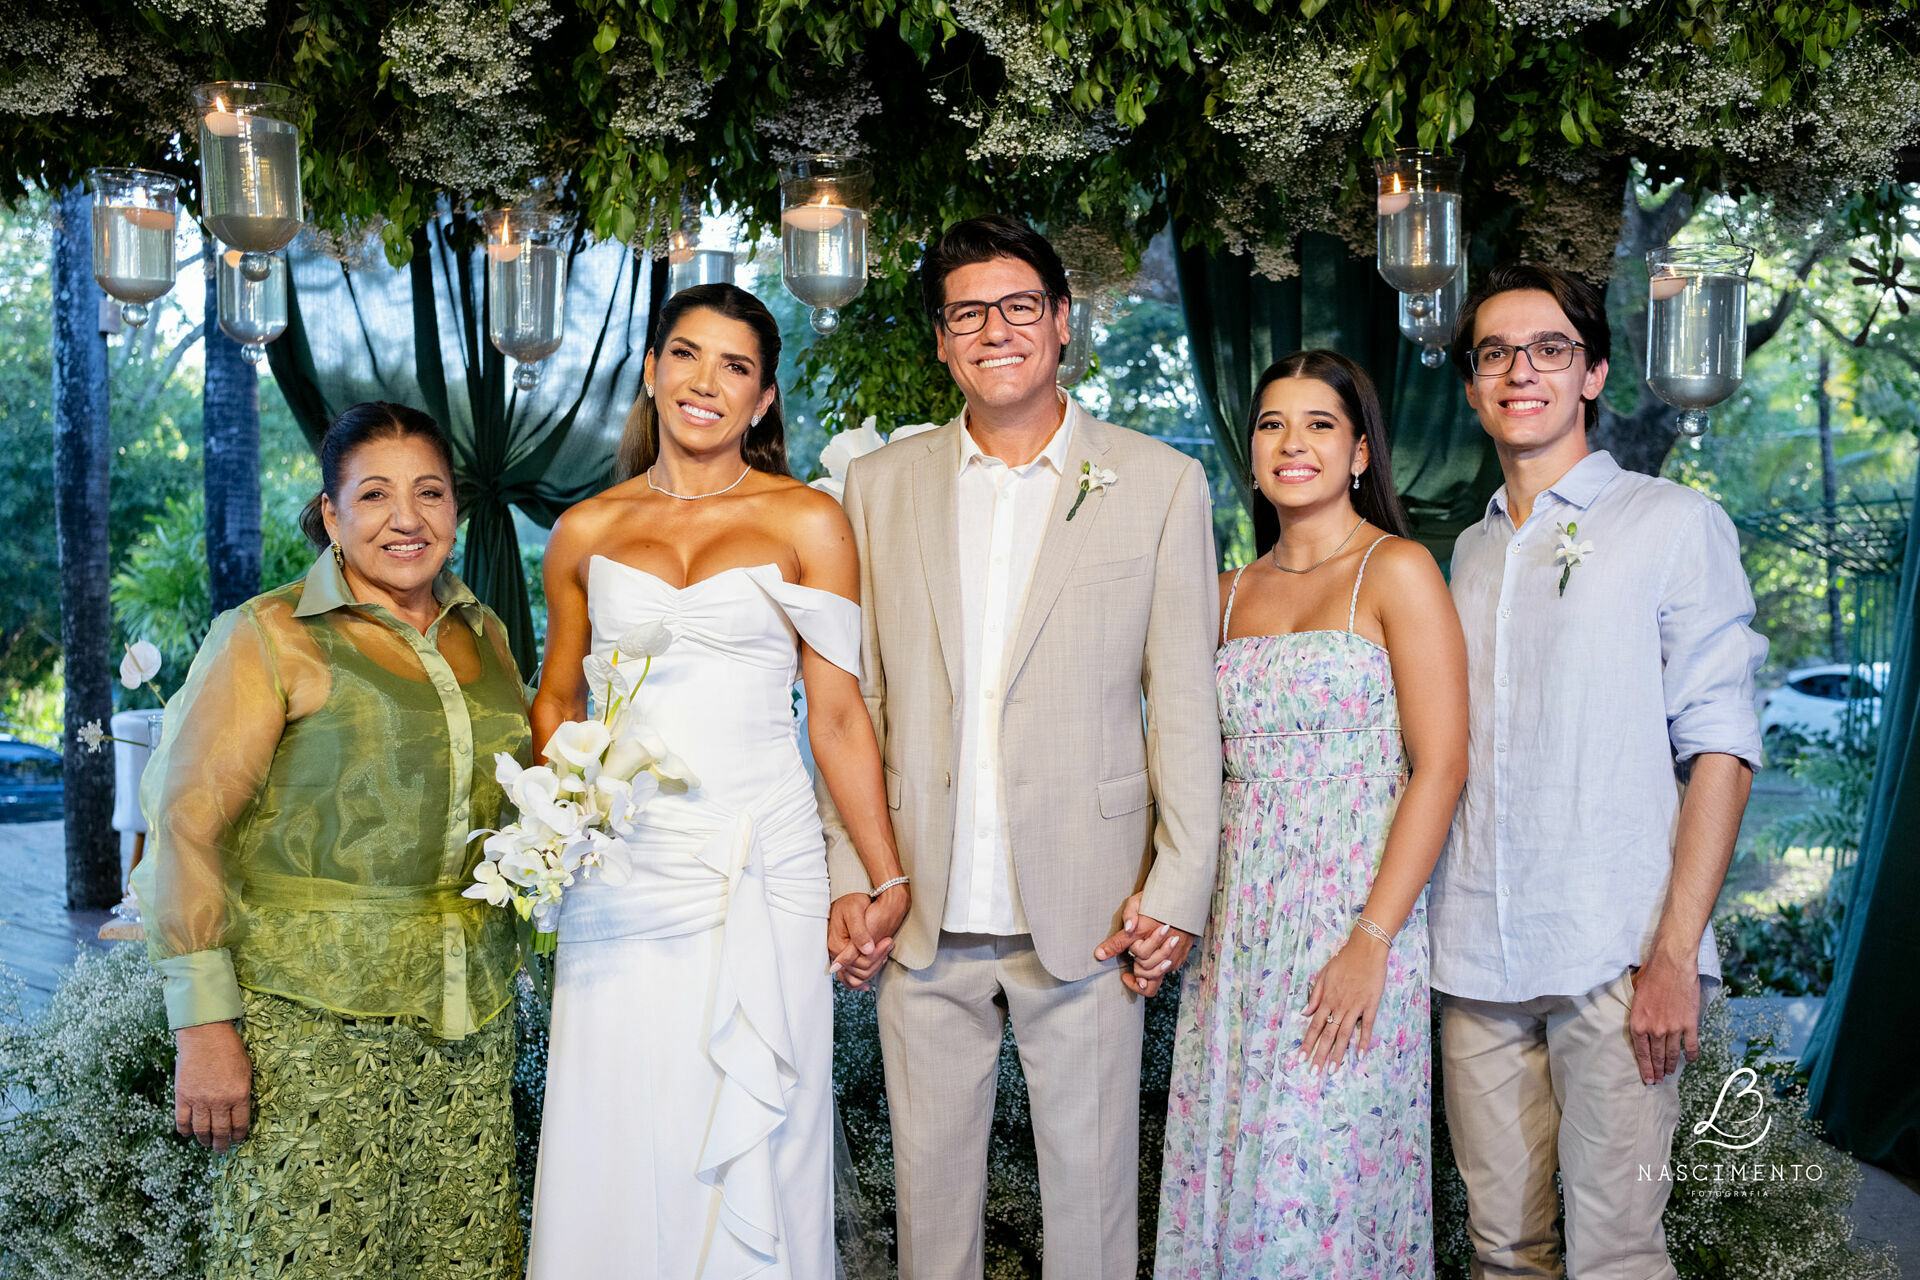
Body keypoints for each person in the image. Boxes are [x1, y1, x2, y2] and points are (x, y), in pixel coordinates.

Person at [818, 214, 1222, 1280]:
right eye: (968, 314)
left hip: (1089, 910)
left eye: (1018, 307)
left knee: (1091, 1218)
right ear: (942, 343)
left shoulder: (1161, 482)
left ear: (1061, 323)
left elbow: (1181, 702)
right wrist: (852, 874)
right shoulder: (880, 485)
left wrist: (1177, 885)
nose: (996, 330)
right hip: (922, 902)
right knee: (930, 1218)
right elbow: (855, 698)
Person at [524, 282, 907, 1279]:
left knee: (760, 1120)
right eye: (686, 355)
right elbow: (556, 699)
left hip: (760, 864)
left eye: (735, 365)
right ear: (651, 373)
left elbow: (835, 713)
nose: (706, 381)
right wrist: (557, 821)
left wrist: (882, 871)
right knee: (619, 1110)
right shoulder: (585, 531)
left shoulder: (810, 522)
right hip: (624, 868)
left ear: (765, 398)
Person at [132, 402, 532, 1279]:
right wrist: (203, 1025)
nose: (406, 518)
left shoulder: (487, 634)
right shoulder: (268, 635)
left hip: (469, 1024)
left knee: (459, 1260)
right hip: (305, 1025)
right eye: (375, 494)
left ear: (456, 510)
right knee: (302, 1254)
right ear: (330, 512)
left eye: (429, 492)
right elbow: (186, 825)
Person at [1433, 262, 1767, 1279]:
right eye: (1496, 352)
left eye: (1549, 349)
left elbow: (1723, 744)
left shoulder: (1671, 522)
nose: (1520, 370)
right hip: (1476, 955)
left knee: (1618, 1252)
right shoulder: (1467, 552)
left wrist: (1673, 954)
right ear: (1473, 383)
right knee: (1502, 1252)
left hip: (1616, 953)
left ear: (1594, 373)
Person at [1155, 350, 1468, 1279]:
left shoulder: (1398, 570)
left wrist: (1371, 940)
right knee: (1237, 1184)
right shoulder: (1221, 597)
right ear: (1250, 452)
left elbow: (1442, 768)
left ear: (1361, 451)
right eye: (1271, 424)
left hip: (1353, 923)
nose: (1293, 442)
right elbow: (1183, 776)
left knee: (1316, 1192)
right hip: (1237, 932)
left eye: (1320, 423)